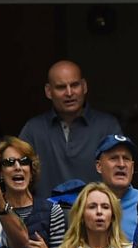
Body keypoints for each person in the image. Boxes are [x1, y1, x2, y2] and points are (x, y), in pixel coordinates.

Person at [18, 60, 123, 202]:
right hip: (45, 219)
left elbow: (120, 179)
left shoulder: (107, 126)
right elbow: (15, 175)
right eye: (61, 87)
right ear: (49, 91)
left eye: (74, 85)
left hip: (96, 217)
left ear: (84, 86)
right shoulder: (33, 129)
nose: (69, 93)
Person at [0, 136, 65, 248]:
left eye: (24, 161)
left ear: (31, 170)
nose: (18, 167)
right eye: (9, 162)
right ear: (1, 173)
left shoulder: (53, 210)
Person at [45, 182, 131, 248]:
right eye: (92, 207)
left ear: (113, 216)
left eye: (105, 207)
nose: (99, 212)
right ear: (81, 216)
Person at [94, 134, 138, 242]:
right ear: (99, 166)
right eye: (114, 158)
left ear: (133, 167)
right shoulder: (87, 202)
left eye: (126, 159)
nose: (121, 164)